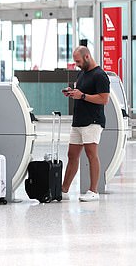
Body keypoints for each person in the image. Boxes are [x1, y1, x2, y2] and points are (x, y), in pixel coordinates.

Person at [61, 46, 110, 202]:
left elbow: (104, 99)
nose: (77, 64)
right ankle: (63, 190)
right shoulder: (82, 73)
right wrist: (72, 92)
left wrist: (82, 96)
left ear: (87, 56)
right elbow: (82, 93)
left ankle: (93, 191)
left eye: (78, 61)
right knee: (72, 155)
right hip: (78, 121)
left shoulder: (100, 75)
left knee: (91, 154)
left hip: (92, 121)